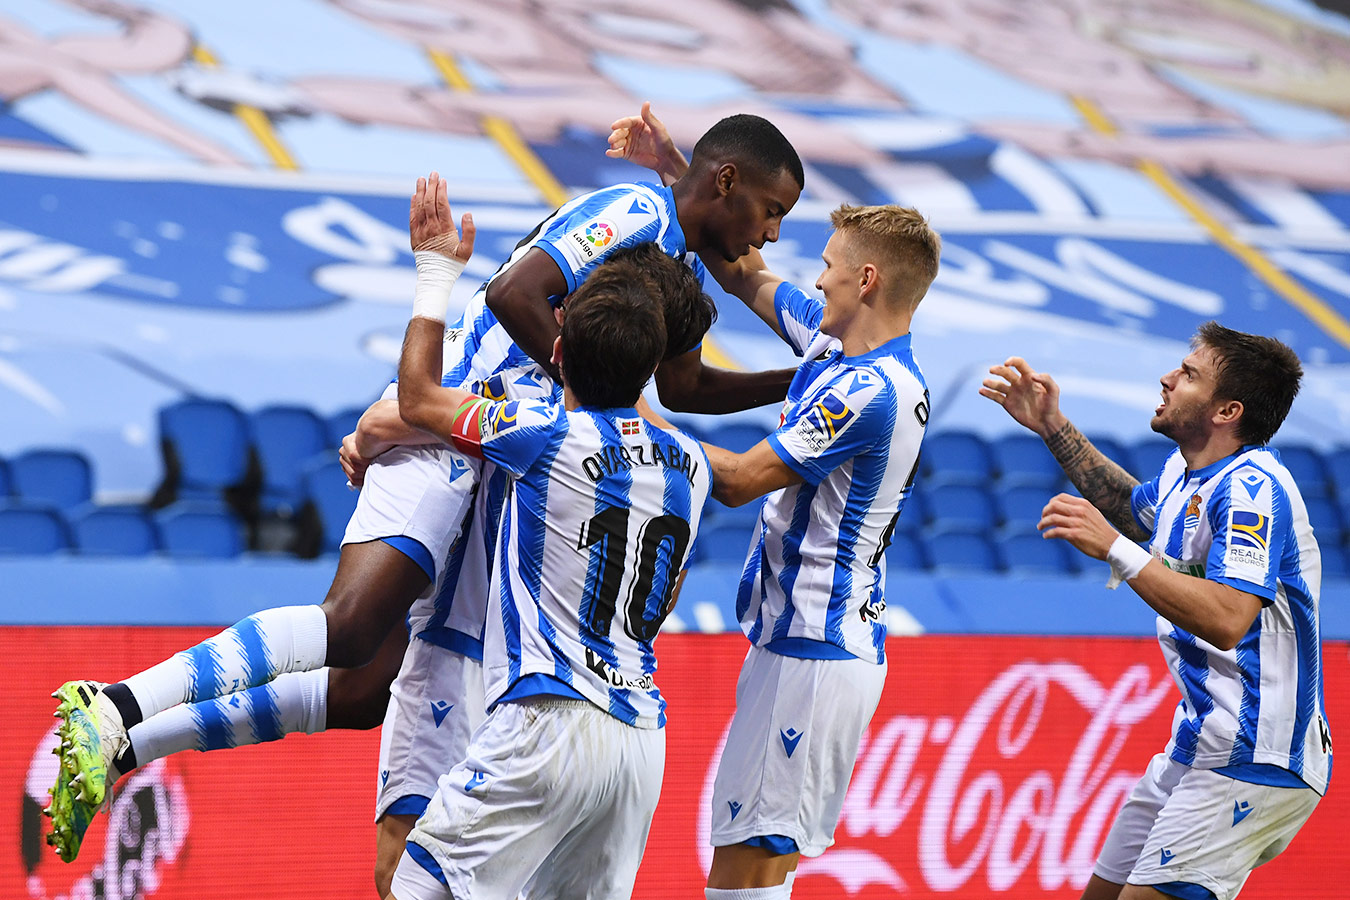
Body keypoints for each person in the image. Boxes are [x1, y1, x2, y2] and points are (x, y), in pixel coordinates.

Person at [48, 109, 798, 885]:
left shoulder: (675, 268)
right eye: (771, 210)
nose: (771, 234)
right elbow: (514, 291)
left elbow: (684, 386)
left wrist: (799, 379)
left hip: (505, 456)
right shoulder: (635, 212)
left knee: (363, 690)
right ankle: (118, 706)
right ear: (727, 181)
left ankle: (128, 746)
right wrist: (583, 398)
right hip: (454, 422)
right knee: (350, 625)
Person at [610, 102, 942, 898]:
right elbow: (743, 272)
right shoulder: (834, 347)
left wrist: (624, 404)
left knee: (746, 871)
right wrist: (679, 170)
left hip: (814, 653)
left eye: (828, 264)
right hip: (801, 646)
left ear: (866, 280)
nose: (814, 276)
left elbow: (737, 481)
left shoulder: (869, 391)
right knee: (755, 865)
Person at [385, 174, 711, 900]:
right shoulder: (692, 465)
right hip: (638, 740)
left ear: (557, 352)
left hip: (545, 717)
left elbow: (417, 397)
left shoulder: (538, 434)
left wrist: (434, 275)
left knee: (414, 888)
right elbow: (668, 593)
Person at [979, 322, 1330, 900]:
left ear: (1227, 411)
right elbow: (1131, 508)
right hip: (1198, 747)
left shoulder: (1252, 488)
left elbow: (1228, 619)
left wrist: (1115, 550)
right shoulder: (1182, 473)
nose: (1168, 378)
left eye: (1189, 374)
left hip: (1255, 755)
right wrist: (1053, 426)